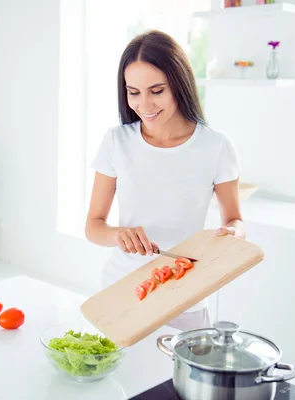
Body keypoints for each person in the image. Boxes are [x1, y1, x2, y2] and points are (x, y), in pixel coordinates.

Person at [84, 29, 245, 331]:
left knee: (180, 379)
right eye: (134, 92)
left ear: (179, 84)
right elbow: (93, 226)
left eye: (157, 91)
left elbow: (236, 220)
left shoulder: (216, 146)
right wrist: (119, 235)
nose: (144, 105)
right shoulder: (116, 141)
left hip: (186, 295)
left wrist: (231, 233)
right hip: (121, 292)